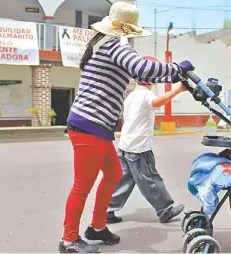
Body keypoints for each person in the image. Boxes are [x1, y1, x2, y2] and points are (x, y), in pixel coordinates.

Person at [59, 2, 194, 253]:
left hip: (96, 127)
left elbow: (144, 73)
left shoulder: (105, 44)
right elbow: (141, 68)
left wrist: (174, 76)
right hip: (89, 125)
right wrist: (177, 69)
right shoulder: (113, 44)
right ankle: (69, 240)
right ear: (126, 29)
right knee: (82, 186)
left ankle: (97, 227)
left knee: (113, 174)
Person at [107, 79, 189, 224]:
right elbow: (157, 102)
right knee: (150, 179)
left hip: (125, 144)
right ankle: (165, 210)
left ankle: (107, 210)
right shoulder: (145, 94)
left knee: (122, 180)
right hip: (139, 146)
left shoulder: (132, 95)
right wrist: (178, 90)